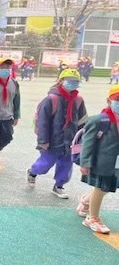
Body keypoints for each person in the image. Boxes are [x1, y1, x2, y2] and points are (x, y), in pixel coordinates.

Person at [27, 69, 87, 198]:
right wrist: (43, 141)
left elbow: (82, 121)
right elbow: (43, 122)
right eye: (70, 80)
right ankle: (33, 172)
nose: (73, 83)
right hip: (52, 140)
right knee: (45, 163)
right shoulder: (51, 99)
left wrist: (80, 140)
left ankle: (59, 186)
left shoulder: (78, 100)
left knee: (66, 165)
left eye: (76, 81)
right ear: (61, 81)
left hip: (70, 140)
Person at [77, 85, 119, 234]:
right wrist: (85, 163)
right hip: (102, 163)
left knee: (107, 187)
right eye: (118, 99)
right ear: (109, 101)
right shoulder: (99, 120)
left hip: (116, 163)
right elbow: (87, 144)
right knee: (101, 188)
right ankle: (92, 218)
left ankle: (85, 202)